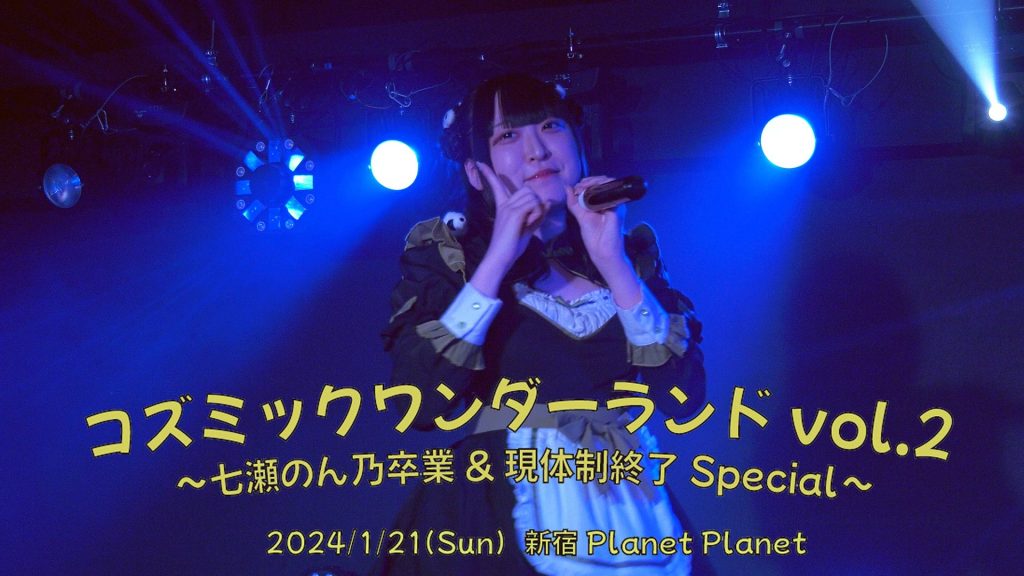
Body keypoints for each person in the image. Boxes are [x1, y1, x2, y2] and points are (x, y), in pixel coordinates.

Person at [371, 74, 708, 576]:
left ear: (577, 142)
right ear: (476, 172)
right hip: (491, 509)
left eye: (550, 126)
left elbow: (685, 400)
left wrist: (614, 263)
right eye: (508, 135)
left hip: (627, 505)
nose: (537, 151)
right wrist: (498, 259)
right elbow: (416, 402)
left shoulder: (630, 257)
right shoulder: (452, 259)